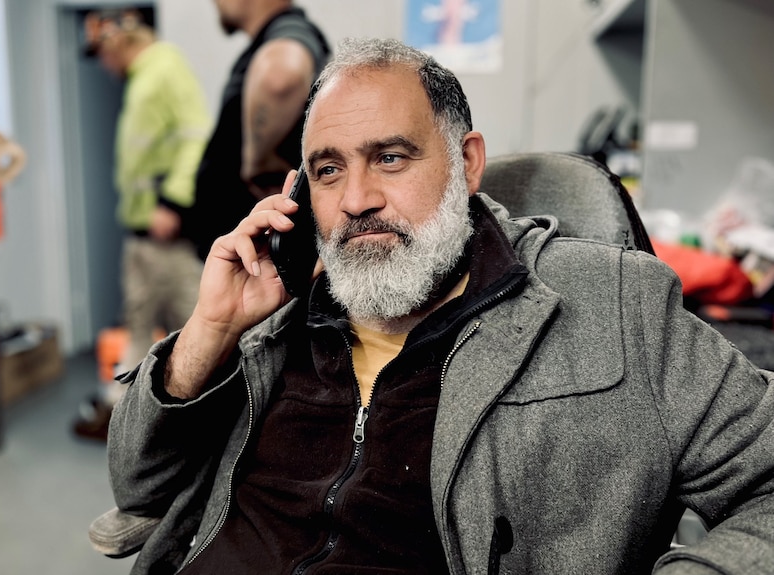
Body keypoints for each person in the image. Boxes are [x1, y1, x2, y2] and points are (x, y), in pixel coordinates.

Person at [107, 38, 774, 575]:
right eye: (329, 169)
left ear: (467, 161)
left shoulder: (613, 303)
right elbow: (134, 486)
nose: (357, 198)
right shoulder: (270, 319)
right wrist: (211, 329)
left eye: (390, 157)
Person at [73, 8, 211, 440]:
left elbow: (196, 133)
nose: (102, 63)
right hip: (141, 234)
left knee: (194, 323)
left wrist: (172, 200)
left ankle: (210, 416)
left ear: (118, 41)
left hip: (163, 233)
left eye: (101, 52)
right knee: (139, 322)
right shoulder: (141, 78)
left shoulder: (164, 68)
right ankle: (128, 418)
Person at [187, 0, 330, 259]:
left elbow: (280, 78)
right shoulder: (274, 36)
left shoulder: (288, 29)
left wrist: (257, 165)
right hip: (247, 252)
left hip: (258, 256)